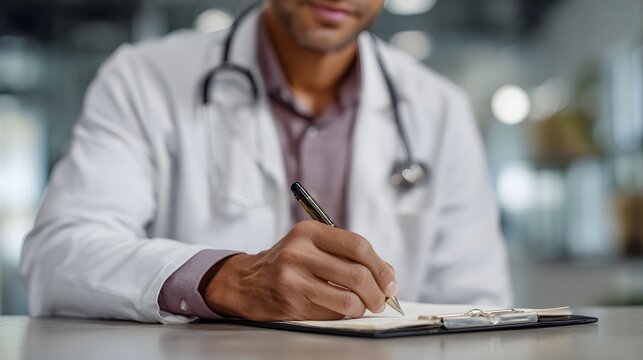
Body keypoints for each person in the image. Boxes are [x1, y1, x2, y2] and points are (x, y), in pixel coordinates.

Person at [21, 0, 512, 324]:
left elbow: (480, 305)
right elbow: (59, 257)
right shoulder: (142, 78)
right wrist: (223, 279)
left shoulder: (438, 107)